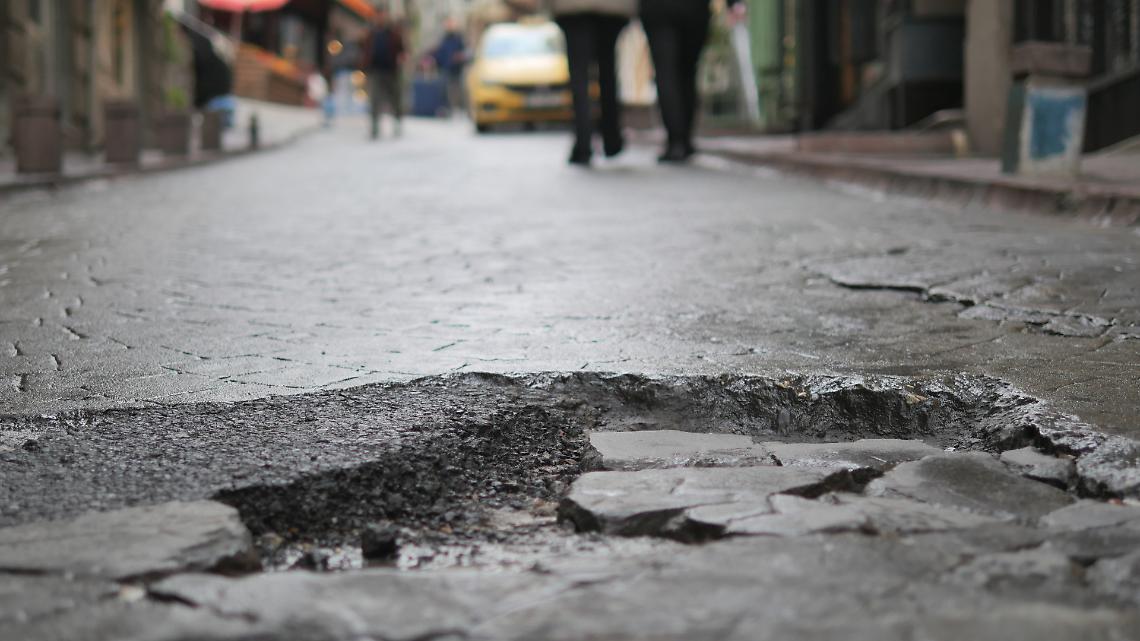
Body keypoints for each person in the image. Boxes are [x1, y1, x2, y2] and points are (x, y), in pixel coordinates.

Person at [640, 0, 744, 162]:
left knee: (665, 71)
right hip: (694, 9)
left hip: (658, 9)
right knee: (687, 73)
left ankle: (675, 140)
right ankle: (685, 139)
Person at [550, 0, 636, 166]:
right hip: (611, 8)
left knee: (579, 76)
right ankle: (612, 138)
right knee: (608, 71)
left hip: (573, 8)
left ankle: (583, 143)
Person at [360, 8, 407, 139]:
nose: (381, 18)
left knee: (395, 97)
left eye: (383, 15)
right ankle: (374, 125)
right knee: (374, 98)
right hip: (375, 70)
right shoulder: (371, 32)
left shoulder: (393, 32)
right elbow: (364, 48)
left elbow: (402, 49)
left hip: (391, 70)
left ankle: (397, 122)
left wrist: (401, 59)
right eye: (378, 16)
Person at [432, 18, 468, 115]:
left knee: (458, 90)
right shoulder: (444, 39)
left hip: (456, 69)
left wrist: (459, 57)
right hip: (446, 68)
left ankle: (459, 109)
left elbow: (464, 53)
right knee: (444, 88)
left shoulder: (458, 39)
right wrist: (437, 61)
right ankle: (446, 108)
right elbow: (440, 53)